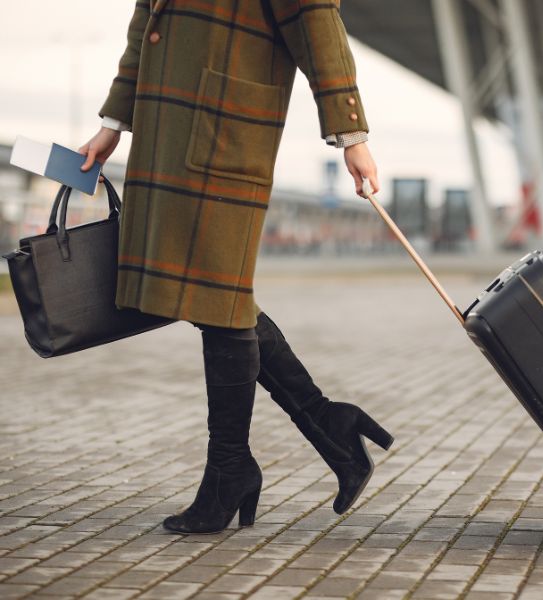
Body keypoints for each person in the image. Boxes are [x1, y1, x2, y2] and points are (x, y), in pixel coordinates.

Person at [78, 0, 393, 534]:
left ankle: (235, 466)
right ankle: (323, 428)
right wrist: (113, 123)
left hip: (225, 128)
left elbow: (316, 18)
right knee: (214, 297)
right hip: (165, 134)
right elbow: (144, 26)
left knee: (217, 297)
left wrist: (352, 134)